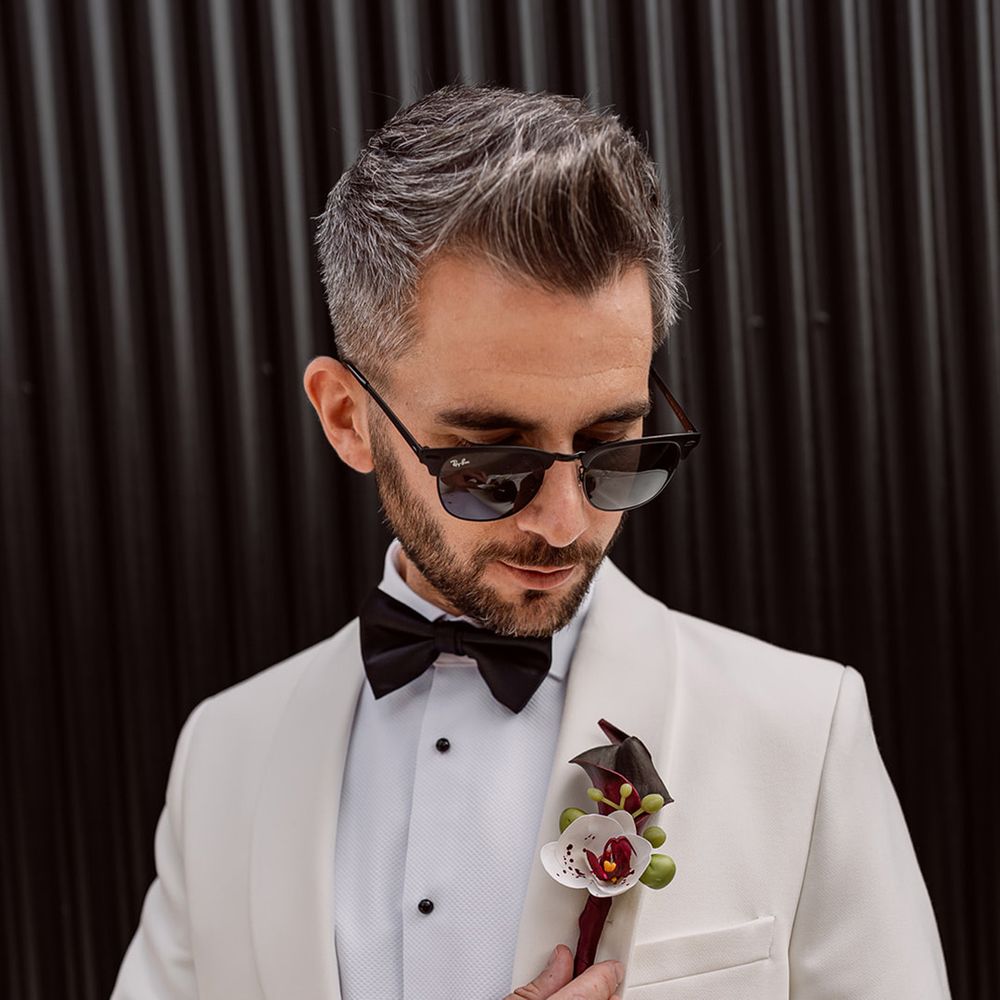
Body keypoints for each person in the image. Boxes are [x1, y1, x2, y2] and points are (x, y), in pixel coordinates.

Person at [112, 84, 950, 1000]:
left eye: (611, 448)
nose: (564, 524)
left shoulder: (802, 731)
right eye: (492, 464)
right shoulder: (224, 754)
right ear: (348, 418)